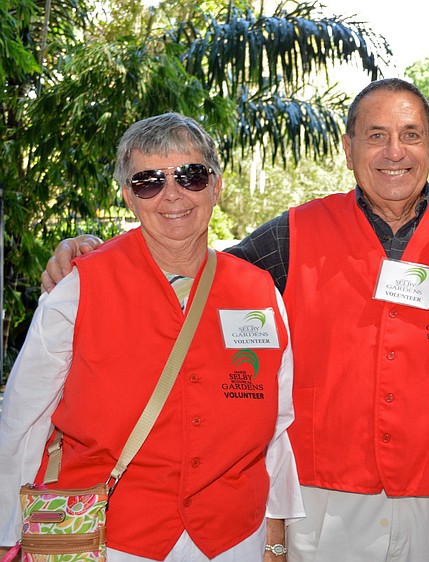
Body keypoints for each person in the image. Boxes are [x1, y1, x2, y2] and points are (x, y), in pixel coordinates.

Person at [39, 79, 429, 562]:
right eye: (375, 135)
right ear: (348, 149)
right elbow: (192, 267)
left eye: (410, 135)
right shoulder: (293, 234)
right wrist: (92, 250)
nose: (394, 151)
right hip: (324, 504)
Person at [0, 113, 304, 561]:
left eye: (191, 175)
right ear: (129, 197)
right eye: (148, 181)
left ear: (215, 186)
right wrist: (13, 528)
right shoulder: (79, 288)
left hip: (233, 539)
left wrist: (275, 536)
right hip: (109, 536)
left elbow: (276, 426)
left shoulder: (259, 292)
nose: (173, 195)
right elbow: (24, 418)